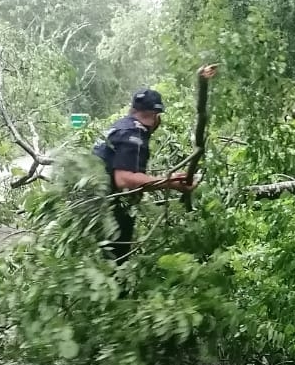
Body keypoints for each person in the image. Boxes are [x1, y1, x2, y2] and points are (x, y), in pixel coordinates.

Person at [92, 67, 215, 263]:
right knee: (114, 264)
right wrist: (170, 183)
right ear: (156, 115)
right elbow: (124, 179)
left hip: (94, 207)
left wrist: (171, 178)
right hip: (110, 210)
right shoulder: (135, 134)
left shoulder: (119, 126)